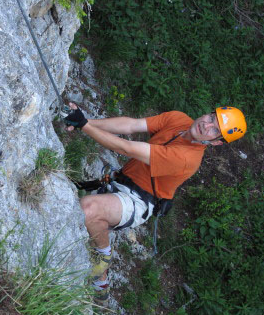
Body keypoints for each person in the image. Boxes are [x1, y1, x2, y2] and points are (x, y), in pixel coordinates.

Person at [63, 103, 247, 301]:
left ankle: (103, 254)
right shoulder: (179, 119)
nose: (206, 125)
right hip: (122, 180)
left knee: (89, 209)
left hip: (139, 200)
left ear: (216, 142)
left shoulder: (187, 159)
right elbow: (131, 126)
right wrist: (86, 120)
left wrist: (84, 125)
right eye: (212, 118)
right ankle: (101, 283)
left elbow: (126, 147)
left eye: (215, 130)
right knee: (95, 218)